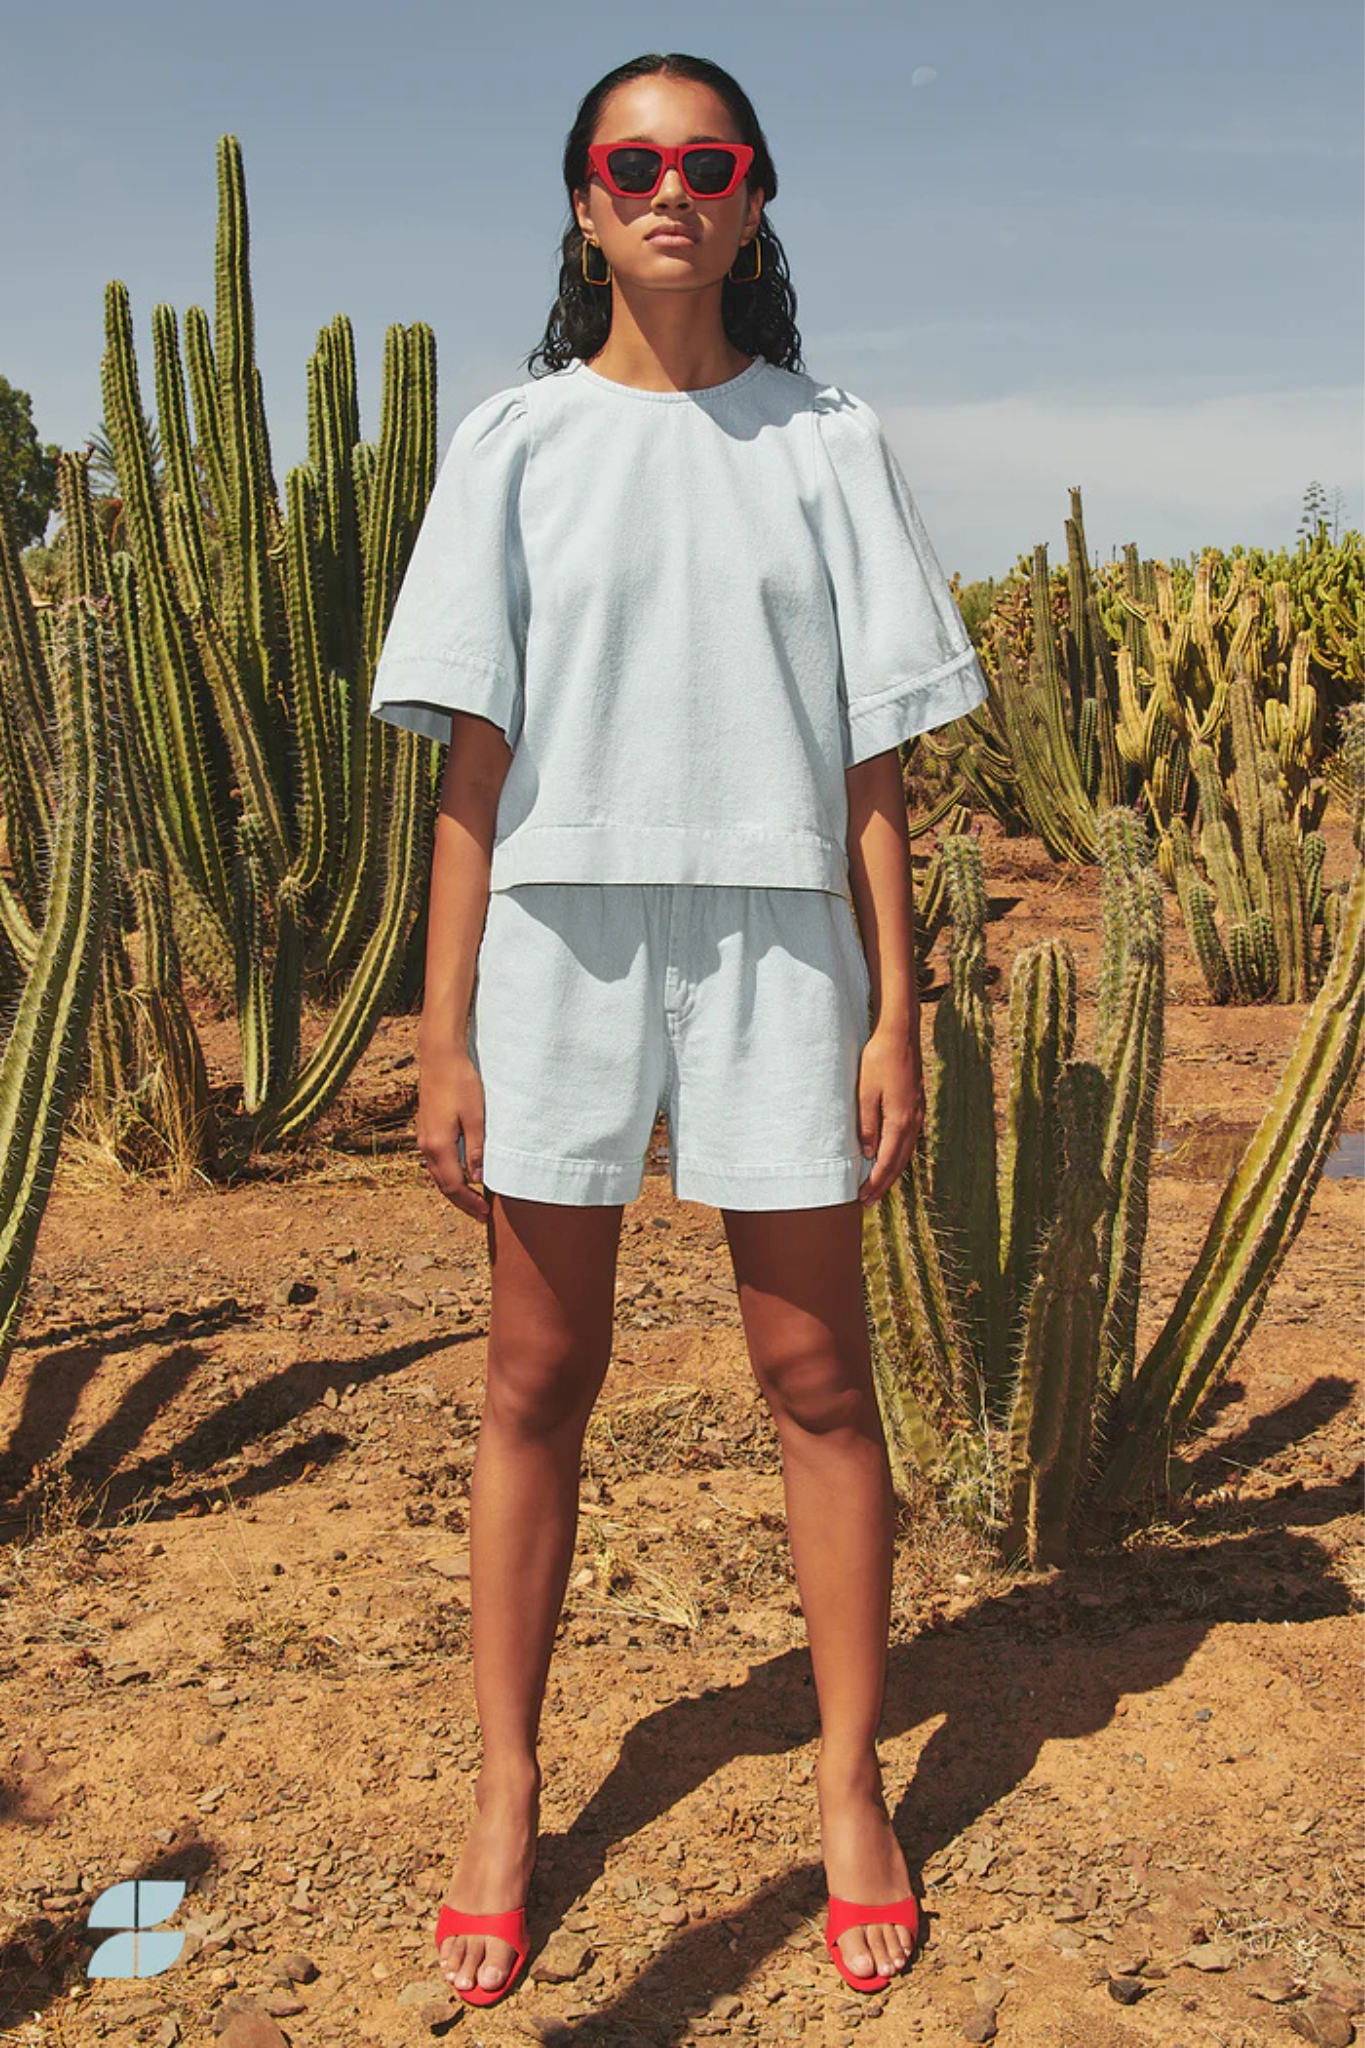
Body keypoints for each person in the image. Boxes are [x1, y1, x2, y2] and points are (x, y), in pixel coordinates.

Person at [369, 51, 991, 2011]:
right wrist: (441, 1024)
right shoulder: (515, 443)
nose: (667, 189)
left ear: (750, 198)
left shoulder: (828, 438)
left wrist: (898, 1002)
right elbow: (471, 758)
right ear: (581, 202)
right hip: (559, 938)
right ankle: (504, 1790)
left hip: (782, 947)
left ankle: (846, 1791)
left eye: (702, 161)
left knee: (819, 1380)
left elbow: (871, 761)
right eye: (629, 163)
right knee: (535, 1378)